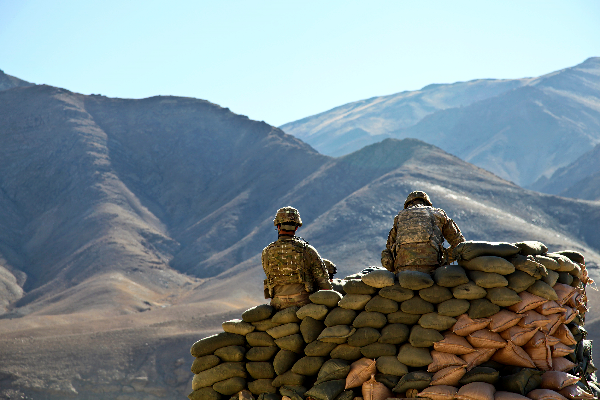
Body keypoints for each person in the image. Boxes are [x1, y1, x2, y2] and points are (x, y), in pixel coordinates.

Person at [262, 206, 332, 309]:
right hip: (303, 302)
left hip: (278, 304)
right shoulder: (307, 250)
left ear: (278, 226)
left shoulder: (266, 252)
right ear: (296, 227)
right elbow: (323, 282)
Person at [381, 191, 465, 274]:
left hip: (402, 269)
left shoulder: (399, 217)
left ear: (408, 204)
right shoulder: (439, 214)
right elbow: (460, 243)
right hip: (433, 267)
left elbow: (389, 248)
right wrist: (445, 259)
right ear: (427, 203)